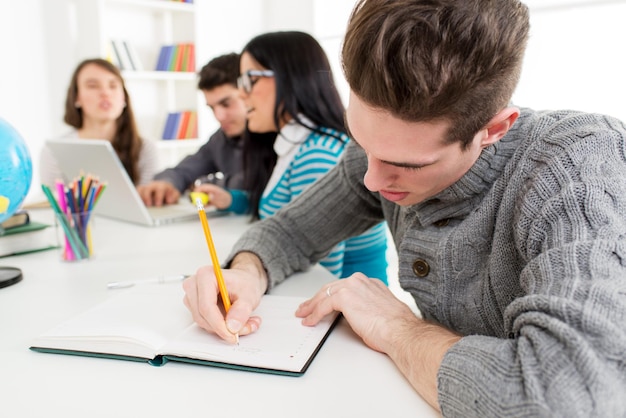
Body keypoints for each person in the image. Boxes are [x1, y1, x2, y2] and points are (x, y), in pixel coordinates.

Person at [182, 0, 626, 416]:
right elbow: (289, 232)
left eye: (405, 164)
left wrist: (398, 328)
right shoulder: (376, 157)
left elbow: (568, 396)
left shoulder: (580, 166)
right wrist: (245, 270)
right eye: (361, 141)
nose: (371, 179)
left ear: (494, 129)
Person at [193, 31, 389, 283]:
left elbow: (318, 273)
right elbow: (286, 207)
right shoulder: (293, 143)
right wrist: (233, 200)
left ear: (290, 77)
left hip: (345, 313)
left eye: (249, 80)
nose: (242, 94)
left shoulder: (317, 155)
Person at [137, 53, 248, 207]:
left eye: (226, 104)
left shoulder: (280, 139)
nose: (219, 116)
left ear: (249, 92)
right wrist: (166, 183)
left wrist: (216, 184)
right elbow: (184, 170)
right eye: (212, 108)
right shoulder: (221, 139)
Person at [40, 58, 158, 187]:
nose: (105, 93)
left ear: (124, 97)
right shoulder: (54, 151)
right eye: (93, 86)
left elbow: (149, 201)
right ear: (76, 97)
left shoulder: (145, 148)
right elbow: (52, 199)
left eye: (113, 86)